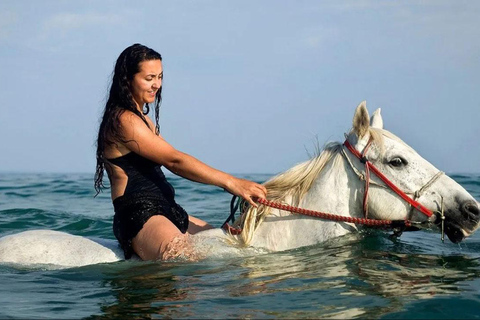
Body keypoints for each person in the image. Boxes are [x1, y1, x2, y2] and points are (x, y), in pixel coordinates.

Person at [94, 43, 267, 261]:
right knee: (185, 261)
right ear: (127, 79)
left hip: (168, 209)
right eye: (149, 78)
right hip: (140, 214)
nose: (157, 84)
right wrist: (233, 183)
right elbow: (174, 161)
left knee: (231, 246)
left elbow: (173, 156)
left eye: (160, 77)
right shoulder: (123, 121)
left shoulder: (142, 120)